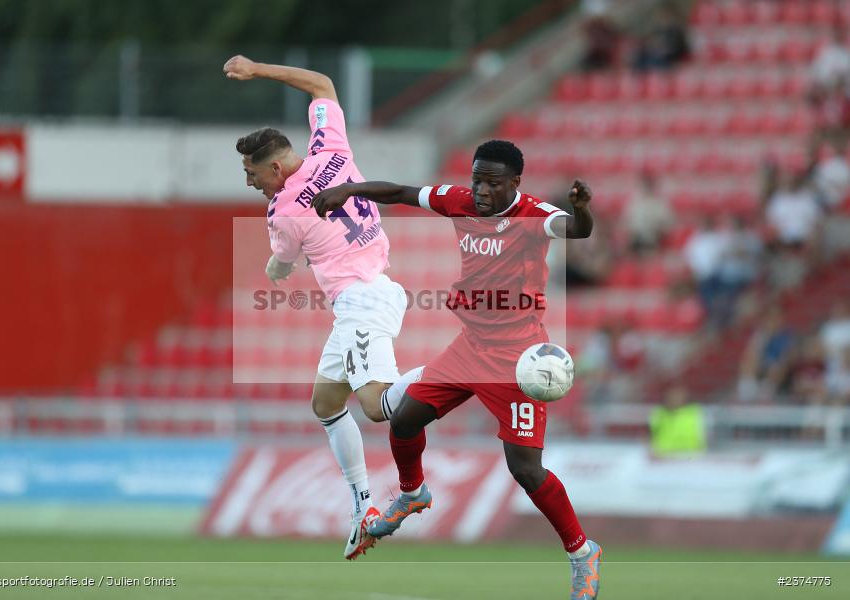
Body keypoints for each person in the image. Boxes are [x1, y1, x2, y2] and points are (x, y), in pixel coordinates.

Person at [312, 140, 602, 600]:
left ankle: (582, 553)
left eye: (491, 181)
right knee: (404, 418)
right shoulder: (460, 202)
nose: (481, 190)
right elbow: (402, 192)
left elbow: (576, 230)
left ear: (515, 183)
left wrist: (583, 210)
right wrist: (349, 188)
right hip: (469, 347)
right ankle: (412, 494)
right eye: (477, 179)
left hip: (516, 359)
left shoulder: (533, 214)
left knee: (525, 470)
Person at [223, 56, 424, 560]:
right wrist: (258, 69)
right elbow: (322, 85)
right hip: (372, 289)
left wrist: (274, 269)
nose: (251, 183)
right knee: (327, 403)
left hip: (361, 301)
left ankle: (461, 373)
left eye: (251, 174)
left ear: (273, 167)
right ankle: (362, 506)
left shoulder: (283, 210)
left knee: (378, 407)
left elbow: (283, 261)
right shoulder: (329, 144)